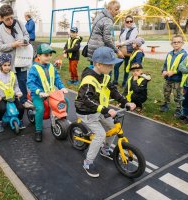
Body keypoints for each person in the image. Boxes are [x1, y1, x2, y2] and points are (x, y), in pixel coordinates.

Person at [75, 46, 136, 177]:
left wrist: (126, 102)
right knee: (101, 134)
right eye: (109, 65)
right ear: (98, 64)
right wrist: (105, 109)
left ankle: (105, 149)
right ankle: (88, 162)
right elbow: (86, 99)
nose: (112, 68)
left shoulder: (105, 76)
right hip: (86, 111)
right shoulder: (89, 80)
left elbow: (114, 91)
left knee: (114, 127)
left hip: (100, 109)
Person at [27, 44, 68, 142]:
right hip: (38, 94)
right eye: (46, 55)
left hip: (50, 93)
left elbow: (57, 79)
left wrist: (62, 87)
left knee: (65, 101)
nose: (49, 57)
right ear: (39, 56)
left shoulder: (51, 67)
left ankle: (62, 119)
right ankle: (38, 130)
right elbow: (30, 83)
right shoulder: (34, 68)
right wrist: (39, 92)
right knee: (40, 109)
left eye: (50, 55)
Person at [0, 4, 32, 109]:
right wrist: (13, 45)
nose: (11, 21)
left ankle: (23, 100)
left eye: (12, 17)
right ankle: (12, 102)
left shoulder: (20, 23)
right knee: (9, 82)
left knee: (22, 80)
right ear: (2, 18)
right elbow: (0, 47)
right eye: (7, 19)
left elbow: (27, 35)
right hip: (8, 62)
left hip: (21, 59)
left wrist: (25, 41)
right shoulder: (0, 30)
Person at [0, 53, 25, 132]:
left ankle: (20, 120)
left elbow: (15, 86)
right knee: (2, 108)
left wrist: (18, 92)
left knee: (21, 107)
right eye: (5, 65)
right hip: (2, 97)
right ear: (1, 65)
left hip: (12, 96)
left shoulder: (12, 75)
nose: (7, 67)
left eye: (9, 65)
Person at [160, 35, 187, 117]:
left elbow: (183, 67)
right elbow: (165, 64)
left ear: (182, 43)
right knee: (166, 92)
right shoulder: (169, 54)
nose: (176, 44)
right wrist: (164, 70)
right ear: (171, 43)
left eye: (179, 42)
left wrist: (174, 72)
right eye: (174, 42)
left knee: (177, 95)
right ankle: (165, 105)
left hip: (177, 79)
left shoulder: (184, 54)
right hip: (168, 78)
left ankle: (179, 110)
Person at [113, 15, 139, 86]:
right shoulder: (123, 29)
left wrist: (121, 43)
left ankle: (124, 83)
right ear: (125, 22)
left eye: (131, 21)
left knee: (126, 68)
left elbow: (131, 40)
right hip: (121, 51)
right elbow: (120, 39)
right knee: (116, 66)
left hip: (129, 51)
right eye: (127, 21)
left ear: (133, 21)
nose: (129, 22)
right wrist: (117, 42)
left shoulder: (135, 29)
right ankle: (115, 82)